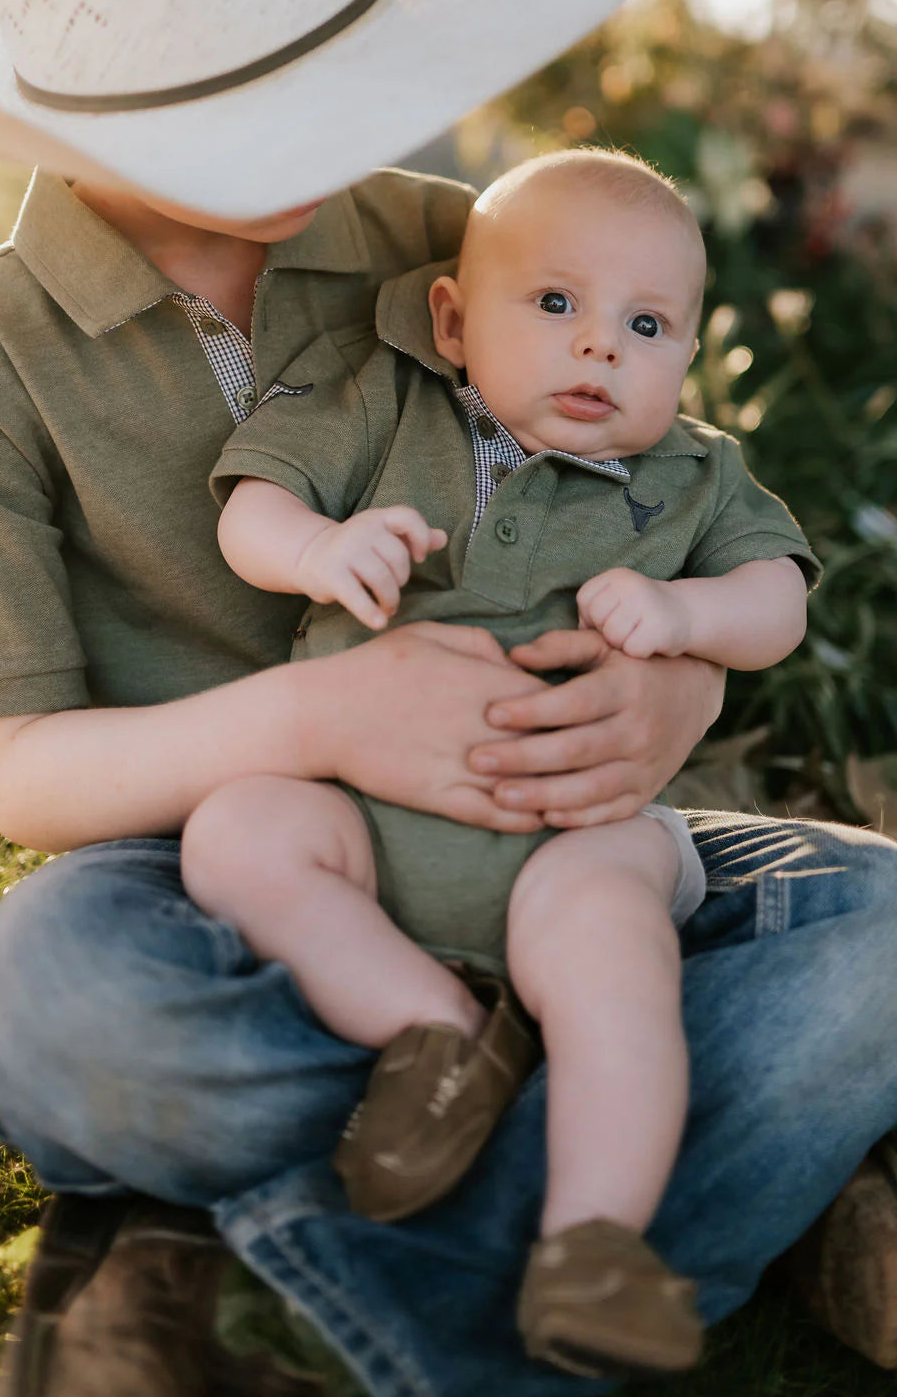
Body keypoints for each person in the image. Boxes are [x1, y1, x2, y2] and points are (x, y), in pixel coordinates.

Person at [0, 0, 897, 1395]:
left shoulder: (448, 237)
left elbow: (660, 487)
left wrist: (667, 688)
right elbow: (25, 782)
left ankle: (266, 1262)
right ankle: (645, 1169)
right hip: (233, 859)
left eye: (335, 72)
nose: (328, 134)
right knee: (57, 1010)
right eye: (247, 100)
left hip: (548, 824)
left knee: (880, 931)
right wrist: (322, 721)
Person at [182, 149, 817, 1378]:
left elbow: (777, 601)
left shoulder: (693, 472)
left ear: (687, 355)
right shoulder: (383, 403)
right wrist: (320, 548)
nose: (599, 351)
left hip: (575, 834)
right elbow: (248, 509)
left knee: (608, 949)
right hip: (367, 824)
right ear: (454, 321)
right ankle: (434, 1037)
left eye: (646, 325)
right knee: (239, 831)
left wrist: (687, 620)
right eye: (556, 305)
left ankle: (592, 1240)